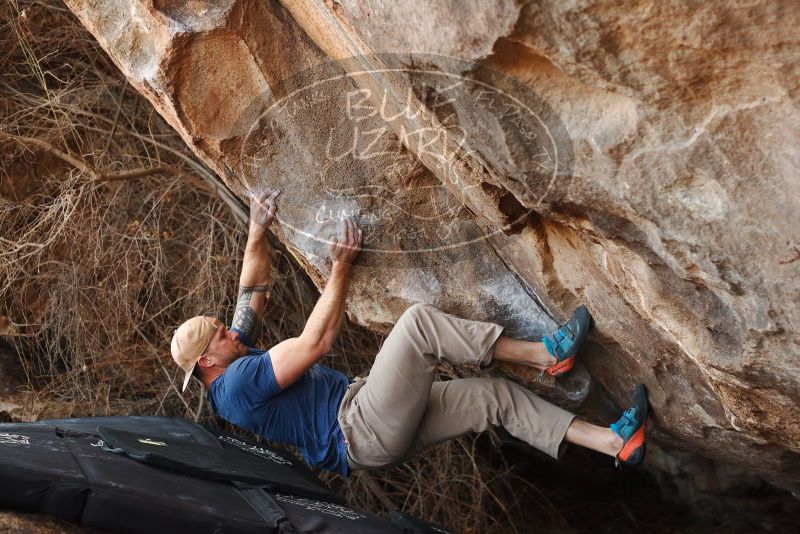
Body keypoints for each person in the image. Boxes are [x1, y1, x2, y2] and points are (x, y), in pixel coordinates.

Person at [170, 188, 649, 477]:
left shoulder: (227, 367)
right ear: (208, 362)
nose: (230, 331)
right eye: (220, 335)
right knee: (418, 325)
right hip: (358, 429)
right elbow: (317, 344)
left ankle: (614, 443)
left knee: (493, 399)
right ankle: (547, 355)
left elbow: (250, 293)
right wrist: (340, 268)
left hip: (368, 427)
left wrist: (257, 233)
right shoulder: (237, 384)